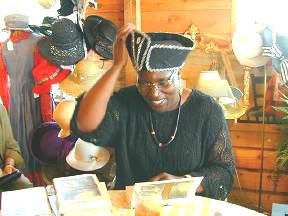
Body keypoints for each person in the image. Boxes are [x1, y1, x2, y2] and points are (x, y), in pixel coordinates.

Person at [70, 24, 235, 200]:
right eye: (145, 83)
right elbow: (85, 124)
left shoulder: (207, 110)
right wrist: (116, 66)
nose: (154, 93)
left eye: (164, 82)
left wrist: (183, 183)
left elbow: (224, 172)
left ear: (178, 74)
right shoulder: (127, 103)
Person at [0, 101, 33, 191]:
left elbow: (11, 145)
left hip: (3, 173)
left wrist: (8, 165)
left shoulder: (1, 110)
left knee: (25, 186)